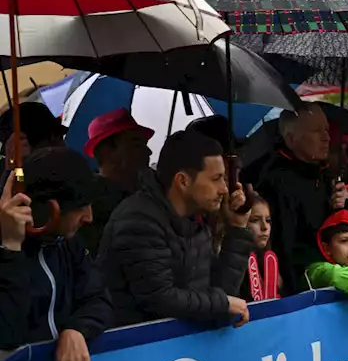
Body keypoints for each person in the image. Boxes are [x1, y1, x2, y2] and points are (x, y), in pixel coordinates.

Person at [97, 130, 253, 328]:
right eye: (216, 179)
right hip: (138, 351)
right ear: (183, 181)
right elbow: (159, 298)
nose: (224, 188)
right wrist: (222, 303)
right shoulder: (138, 220)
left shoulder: (196, 220)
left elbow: (221, 292)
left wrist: (237, 230)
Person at [0, 148, 111, 361]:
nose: (89, 217)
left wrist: (76, 330)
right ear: (50, 208)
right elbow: (7, 333)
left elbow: (98, 297)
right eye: (81, 207)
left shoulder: (67, 244)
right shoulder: (8, 251)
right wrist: (10, 250)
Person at [253, 104, 348, 295]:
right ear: (291, 139)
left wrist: (340, 207)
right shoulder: (278, 181)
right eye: (316, 131)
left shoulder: (320, 173)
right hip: (302, 288)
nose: (327, 138)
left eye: (327, 130)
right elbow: (285, 245)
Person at [78, 109, 160, 256]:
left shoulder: (151, 194)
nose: (148, 152)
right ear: (108, 152)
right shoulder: (91, 208)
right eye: (136, 145)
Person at [240, 191, 281, 302]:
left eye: (268, 220)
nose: (264, 227)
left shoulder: (271, 262)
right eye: (255, 220)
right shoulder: (234, 266)